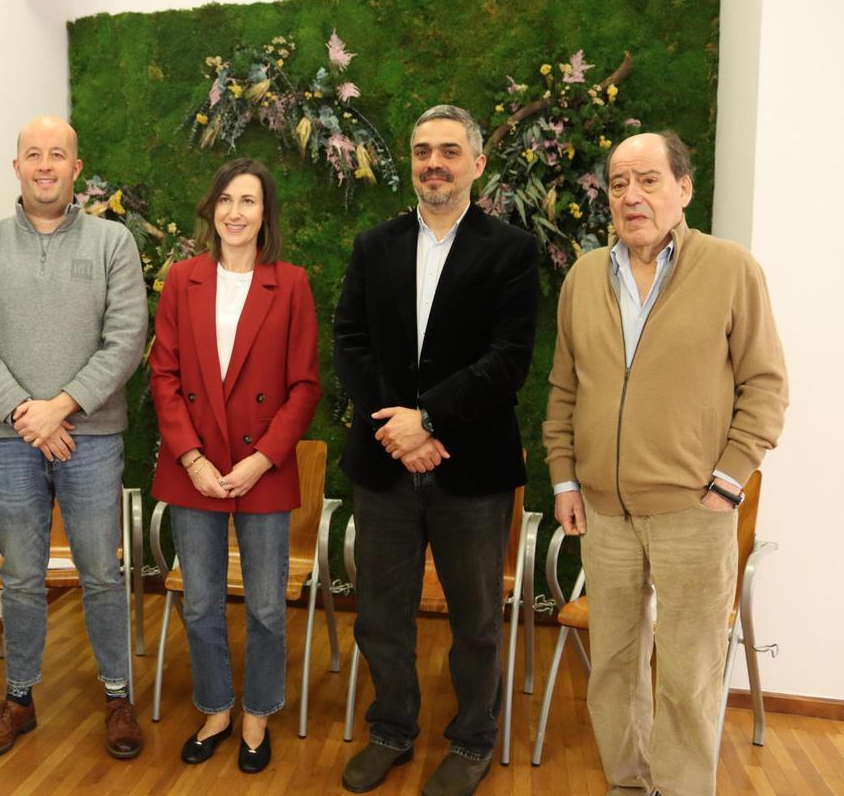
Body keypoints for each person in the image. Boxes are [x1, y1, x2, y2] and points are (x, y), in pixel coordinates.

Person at [543, 131, 788, 796]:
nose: (631, 195)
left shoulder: (732, 270)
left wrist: (728, 480)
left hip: (694, 514)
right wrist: (565, 476)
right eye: (619, 183)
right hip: (606, 515)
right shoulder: (585, 276)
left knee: (688, 675)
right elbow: (564, 389)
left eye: (648, 180)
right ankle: (628, 785)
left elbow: (765, 386)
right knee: (614, 669)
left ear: (683, 188)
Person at [333, 104, 539, 796]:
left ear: (477, 164)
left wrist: (430, 422)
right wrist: (397, 426)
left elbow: (508, 360)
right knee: (381, 614)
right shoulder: (375, 245)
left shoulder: (509, 250)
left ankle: (473, 738)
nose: (434, 163)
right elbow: (351, 342)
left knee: (475, 618)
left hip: (471, 470)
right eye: (423, 151)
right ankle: (391, 729)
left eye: (450, 151)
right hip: (385, 463)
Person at [0, 115, 148, 760]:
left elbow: (126, 340)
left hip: (91, 439)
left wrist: (59, 409)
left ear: (75, 169)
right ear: (16, 167)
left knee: (101, 572)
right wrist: (23, 413)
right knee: (25, 576)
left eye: (57, 154)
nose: (44, 165)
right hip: (10, 442)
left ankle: (117, 696)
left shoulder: (113, 242)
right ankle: (20, 697)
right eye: (32, 154)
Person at [149, 158, 320, 774]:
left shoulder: (291, 283)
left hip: (262, 468)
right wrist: (190, 456)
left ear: (265, 213)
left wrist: (261, 460)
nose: (235, 212)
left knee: (268, 605)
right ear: (211, 208)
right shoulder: (183, 279)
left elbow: (303, 386)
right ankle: (217, 707)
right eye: (225, 199)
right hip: (192, 466)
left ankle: (258, 712)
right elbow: (164, 375)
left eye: (248, 201)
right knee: (198, 603)